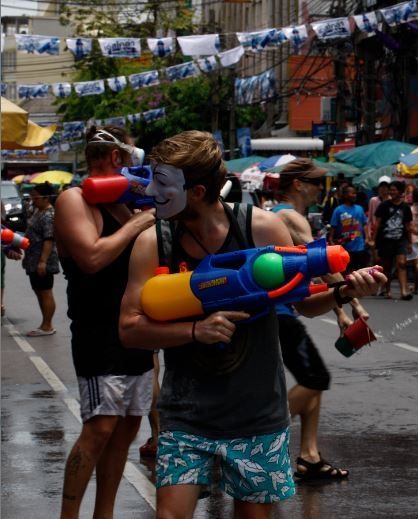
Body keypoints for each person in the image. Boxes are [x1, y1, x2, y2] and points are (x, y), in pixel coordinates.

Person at [118, 134, 385, 517]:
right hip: (186, 415)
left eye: (161, 183)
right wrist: (195, 331)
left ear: (194, 191)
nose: (149, 191)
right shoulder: (153, 242)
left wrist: (343, 293)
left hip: (257, 414)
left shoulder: (261, 229)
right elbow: (129, 328)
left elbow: (302, 303)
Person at [55, 126, 156, 519]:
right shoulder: (74, 199)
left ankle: (105, 514)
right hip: (97, 331)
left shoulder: (123, 204)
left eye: (112, 153)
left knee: (128, 427)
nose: (108, 160)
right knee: (99, 427)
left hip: (135, 329)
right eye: (97, 152)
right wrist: (138, 223)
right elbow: (92, 258)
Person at [273, 159, 370, 483]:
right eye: (316, 183)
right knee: (315, 378)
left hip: (282, 310)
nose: (321, 189)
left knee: (315, 379)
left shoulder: (280, 214)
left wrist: (339, 311)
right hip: (278, 314)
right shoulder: (287, 215)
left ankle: (309, 455)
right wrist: (353, 301)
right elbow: (321, 259)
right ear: (298, 184)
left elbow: (311, 270)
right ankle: (251, 436)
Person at [22, 182, 59, 337]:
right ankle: (44, 323)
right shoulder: (37, 211)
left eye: (35, 198)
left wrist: (43, 261)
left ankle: (48, 326)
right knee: (39, 291)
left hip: (43, 261)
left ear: (45, 198)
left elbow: (48, 239)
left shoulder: (49, 215)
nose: (33, 201)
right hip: (32, 260)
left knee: (45, 292)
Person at [372, 180, 413, 300]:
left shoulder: (405, 207)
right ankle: (387, 289)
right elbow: (377, 224)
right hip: (385, 240)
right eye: (391, 189)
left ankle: (404, 291)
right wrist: (374, 241)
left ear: (400, 192)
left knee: (402, 263)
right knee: (387, 266)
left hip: (401, 240)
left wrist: (410, 243)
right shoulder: (384, 205)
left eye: (394, 190)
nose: (391, 192)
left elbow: (408, 226)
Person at [329, 184, 369, 272]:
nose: (355, 195)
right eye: (352, 193)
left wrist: (367, 238)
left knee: (359, 271)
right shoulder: (338, 210)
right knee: (346, 271)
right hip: (344, 247)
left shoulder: (359, 209)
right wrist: (331, 240)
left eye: (355, 193)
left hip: (359, 246)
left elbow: (365, 224)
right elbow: (333, 227)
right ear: (345, 195)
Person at [367, 176, 391, 266]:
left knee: (386, 259)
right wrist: (369, 233)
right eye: (382, 187)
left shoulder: (391, 200)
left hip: (388, 232)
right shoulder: (373, 200)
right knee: (375, 258)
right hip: (375, 232)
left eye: (386, 187)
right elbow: (369, 218)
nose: (383, 189)